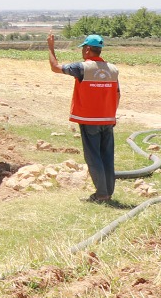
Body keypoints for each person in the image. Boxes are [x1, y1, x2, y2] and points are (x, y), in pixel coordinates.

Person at [47, 31, 121, 202]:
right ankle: (108, 192)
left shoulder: (82, 68)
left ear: (87, 49)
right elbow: (117, 95)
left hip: (90, 121)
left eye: (83, 49)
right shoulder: (113, 69)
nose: (82, 52)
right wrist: (112, 116)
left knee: (93, 156)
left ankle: (101, 194)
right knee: (107, 156)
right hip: (107, 120)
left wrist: (51, 47)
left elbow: (55, 67)